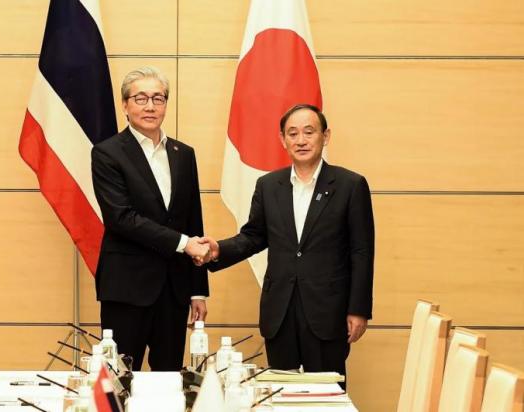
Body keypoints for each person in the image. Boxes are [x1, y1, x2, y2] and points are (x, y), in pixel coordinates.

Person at [201, 104, 374, 384]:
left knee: (327, 395)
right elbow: (254, 237)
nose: (301, 140)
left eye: (309, 132)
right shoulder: (269, 186)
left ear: (325, 136)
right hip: (280, 311)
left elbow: (362, 251)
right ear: (283, 140)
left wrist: (358, 309)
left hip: (328, 312)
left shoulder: (350, 185)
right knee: (281, 392)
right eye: (293, 134)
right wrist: (219, 249)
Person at [91, 67, 210, 371]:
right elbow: (121, 218)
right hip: (127, 287)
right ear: (125, 105)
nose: (150, 106)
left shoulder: (183, 154)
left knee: (169, 378)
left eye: (158, 98)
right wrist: (184, 244)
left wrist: (198, 290)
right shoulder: (107, 153)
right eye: (140, 98)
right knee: (119, 379)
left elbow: (192, 221)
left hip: (174, 289)